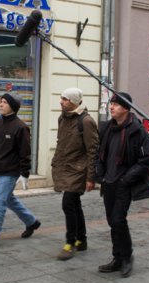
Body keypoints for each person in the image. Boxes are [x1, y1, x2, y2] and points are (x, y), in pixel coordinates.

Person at [95, 92, 149, 277]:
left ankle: (127, 257)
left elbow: (146, 160)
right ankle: (117, 258)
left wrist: (125, 179)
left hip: (124, 184)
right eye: (111, 103)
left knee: (119, 220)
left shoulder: (137, 130)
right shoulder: (106, 128)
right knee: (113, 221)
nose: (111, 107)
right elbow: (99, 154)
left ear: (126, 108)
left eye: (116, 104)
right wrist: (100, 174)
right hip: (108, 183)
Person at [0, 92, 40, 250]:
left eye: (4, 102)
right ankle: (32, 222)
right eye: (0, 101)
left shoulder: (21, 127)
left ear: (13, 106)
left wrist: (25, 173)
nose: (0, 104)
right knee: (8, 199)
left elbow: (25, 153)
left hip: (11, 170)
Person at [51, 88, 99, 261]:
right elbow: (60, 143)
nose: (61, 101)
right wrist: (55, 163)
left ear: (73, 101)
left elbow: (92, 150)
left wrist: (90, 177)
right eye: (61, 97)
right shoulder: (62, 118)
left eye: (64, 99)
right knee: (75, 204)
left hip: (78, 170)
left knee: (68, 203)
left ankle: (69, 243)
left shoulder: (85, 121)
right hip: (65, 167)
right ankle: (82, 239)